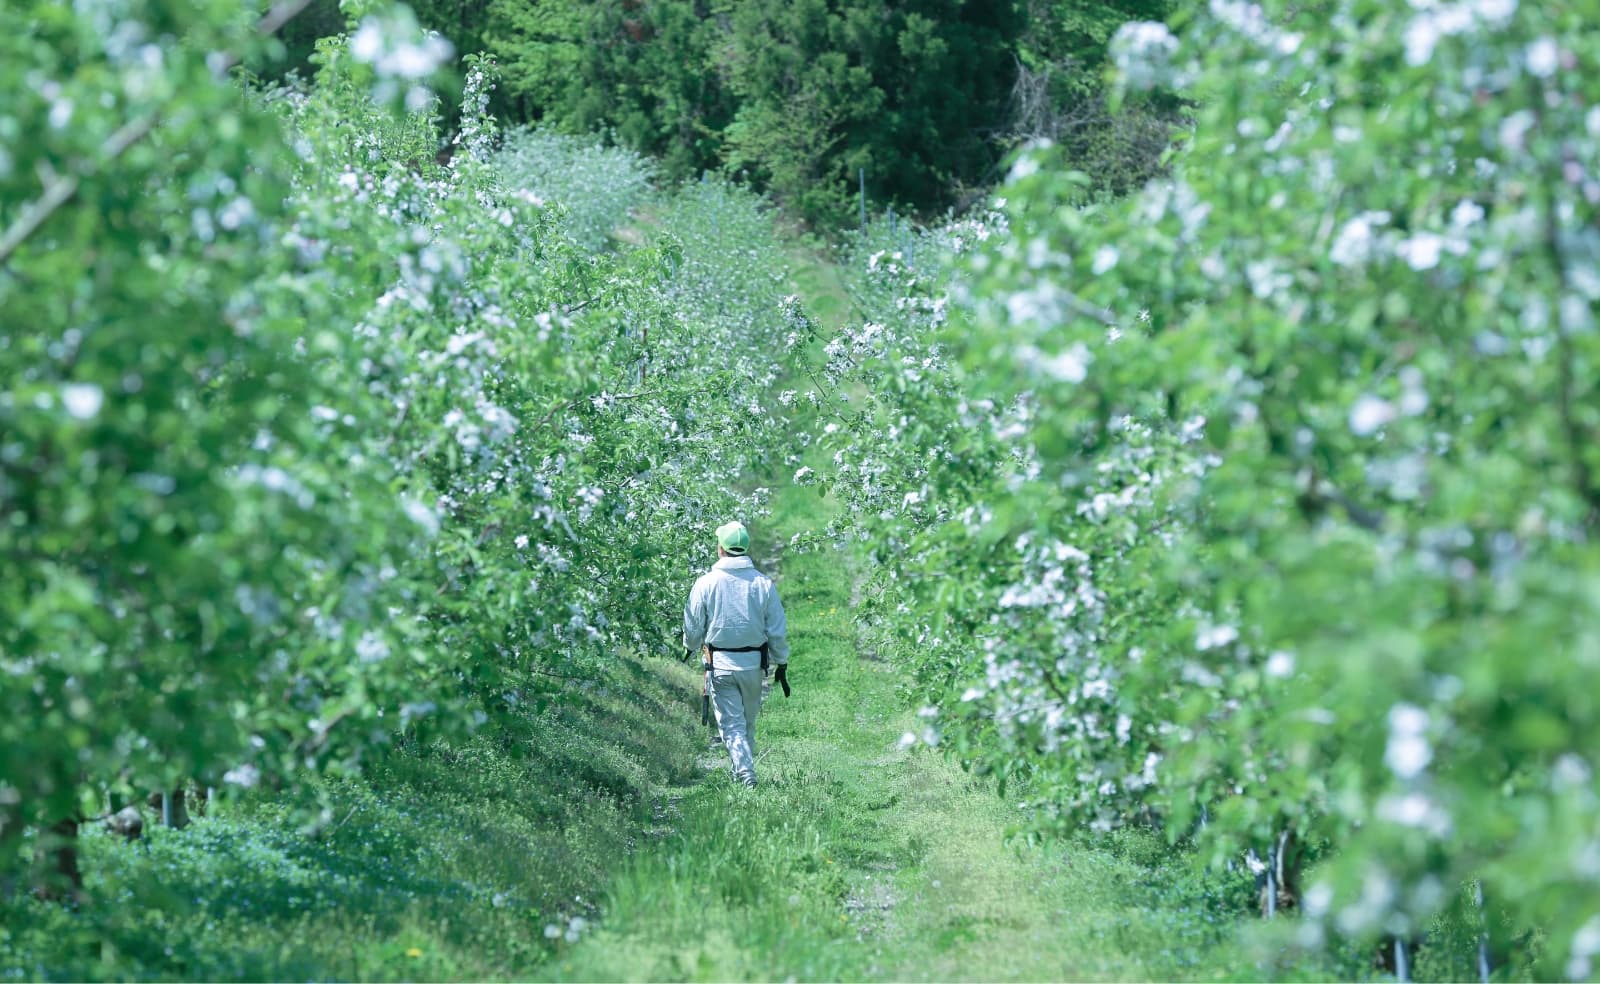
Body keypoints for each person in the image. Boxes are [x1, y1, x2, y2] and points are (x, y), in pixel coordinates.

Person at [682, 520, 789, 787]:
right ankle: (743, 774)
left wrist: (691, 645)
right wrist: (781, 660)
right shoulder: (763, 584)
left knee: (732, 726)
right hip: (753, 666)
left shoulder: (706, 583)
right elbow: (776, 629)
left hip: (721, 665)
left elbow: (693, 625)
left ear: (721, 549)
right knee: (747, 724)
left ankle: (744, 775)